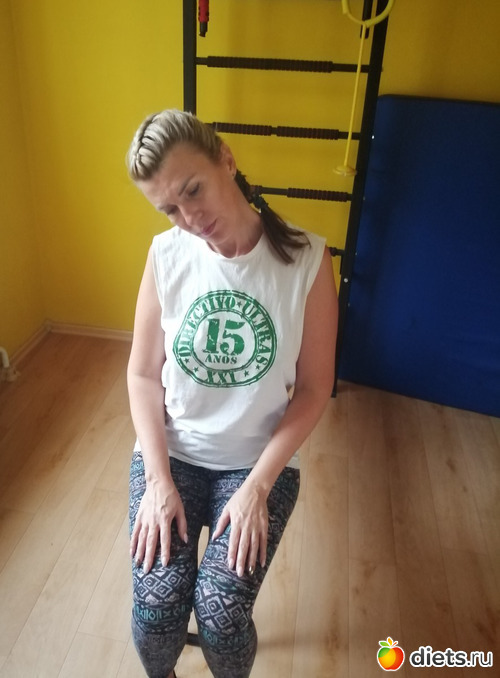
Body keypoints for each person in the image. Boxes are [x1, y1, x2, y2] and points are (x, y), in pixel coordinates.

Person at [126, 109, 338, 678]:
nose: (189, 218)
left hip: (255, 464)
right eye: (170, 208)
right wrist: (158, 481)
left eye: (193, 190)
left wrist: (256, 489)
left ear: (226, 160)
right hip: (173, 454)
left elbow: (315, 388)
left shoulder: (308, 262)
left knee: (221, 617)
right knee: (156, 612)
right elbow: (142, 375)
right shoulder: (166, 256)